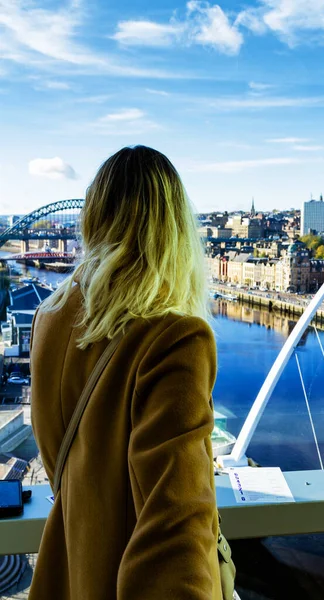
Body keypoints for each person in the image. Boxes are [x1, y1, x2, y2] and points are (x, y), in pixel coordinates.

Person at [28, 145, 225, 599]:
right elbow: (176, 532)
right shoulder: (175, 339)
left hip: (70, 570)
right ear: (175, 230)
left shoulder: (49, 319)